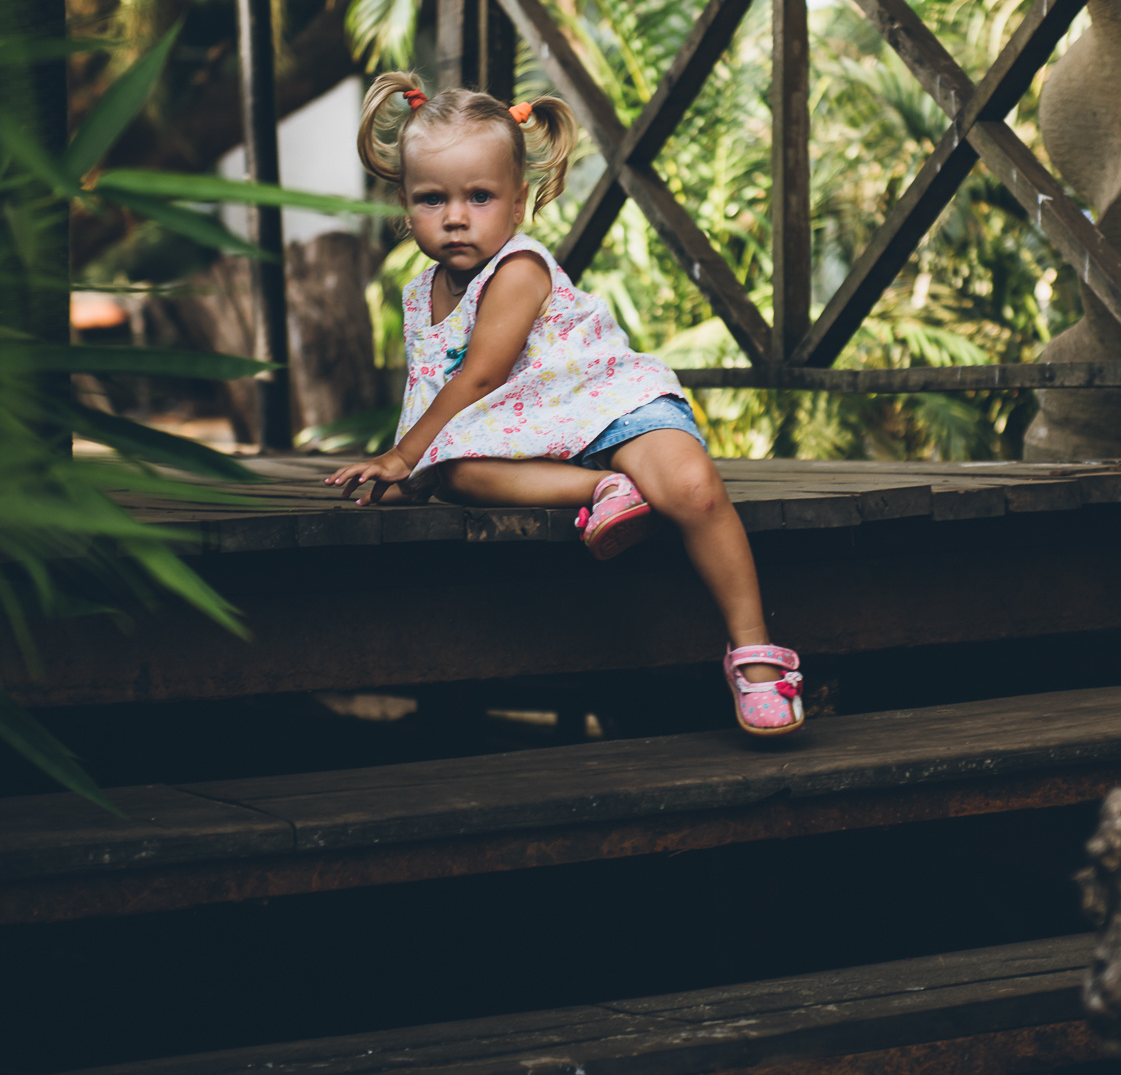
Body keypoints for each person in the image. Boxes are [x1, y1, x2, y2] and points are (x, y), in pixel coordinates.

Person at [324, 72, 804, 736]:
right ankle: (609, 487)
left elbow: (481, 376)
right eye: (432, 199)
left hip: (612, 406)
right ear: (406, 206)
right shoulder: (419, 294)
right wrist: (410, 473)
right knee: (456, 473)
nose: (456, 216)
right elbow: (434, 394)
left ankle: (753, 654)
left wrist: (404, 455)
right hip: (536, 434)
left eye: (480, 197)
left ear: (518, 204)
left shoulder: (517, 269)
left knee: (693, 489)